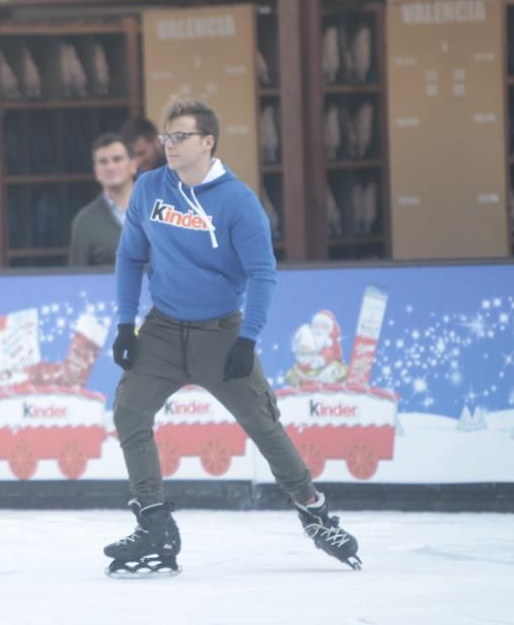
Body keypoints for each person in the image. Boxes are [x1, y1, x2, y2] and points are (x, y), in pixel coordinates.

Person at [104, 100, 361, 577]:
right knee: (129, 410)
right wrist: (125, 323)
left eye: (180, 136)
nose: (170, 144)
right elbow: (129, 258)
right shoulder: (149, 189)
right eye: (166, 136)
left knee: (262, 422)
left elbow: (263, 274)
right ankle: (153, 519)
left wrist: (248, 337)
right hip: (161, 328)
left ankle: (314, 511)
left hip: (220, 332)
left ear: (207, 142)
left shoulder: (238, 201)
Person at [69, 133, 137, 267]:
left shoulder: (160, 210)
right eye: (103, 162)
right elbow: (76, 280)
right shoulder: (85, 221)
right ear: (96, 171)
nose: (110, 167)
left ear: (133, 165)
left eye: (117, 159)